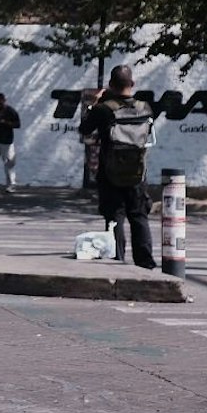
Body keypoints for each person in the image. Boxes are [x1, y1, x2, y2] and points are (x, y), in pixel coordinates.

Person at [80, 65, 158, 269]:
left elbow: (84, 129)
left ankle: (117, 257)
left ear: (111, 85)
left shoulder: (103, 110)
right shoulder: (146, 108)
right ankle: (145, 262)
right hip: (137, 171)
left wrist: (95, 103)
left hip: (110, 171)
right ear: (132, 84)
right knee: (139, 215)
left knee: (114, 217)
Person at [0, 93, 21, 194]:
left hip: (7, 142)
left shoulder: (10, 111)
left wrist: (6, 123)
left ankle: (11, 184)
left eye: (1, 102)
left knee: (9, 163)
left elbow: (18, 124)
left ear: (4, 101)